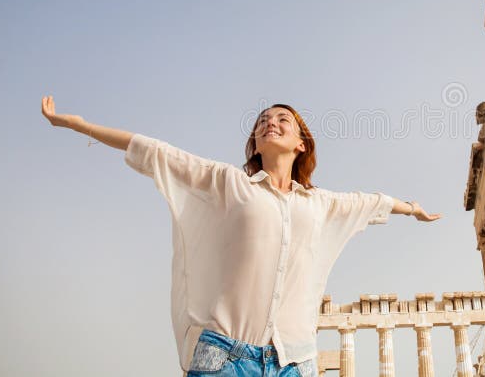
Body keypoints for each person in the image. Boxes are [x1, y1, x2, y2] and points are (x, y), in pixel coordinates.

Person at [41, 95, 441, 377]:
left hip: (295, 362)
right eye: (262, 120)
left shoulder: (321, 204)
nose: (270, 122)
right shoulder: (228, 182)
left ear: (301, 143)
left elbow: (371, 201)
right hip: (224, 358)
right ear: (254, 143)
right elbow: (156, 151)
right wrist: (78, 125)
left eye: (282, 118)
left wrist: (411, 207)